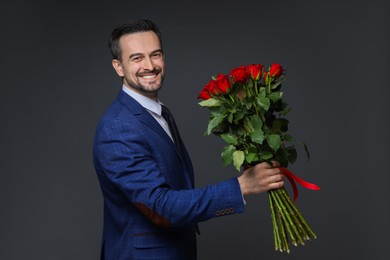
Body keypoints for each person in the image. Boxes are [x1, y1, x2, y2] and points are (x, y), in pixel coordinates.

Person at [92, 19, 284, 260]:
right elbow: (160, 206)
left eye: (156, 54)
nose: (150, 65)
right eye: (137, 58)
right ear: (118, 67)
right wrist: (241, 186)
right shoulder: (118, 127)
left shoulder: (158, 114)